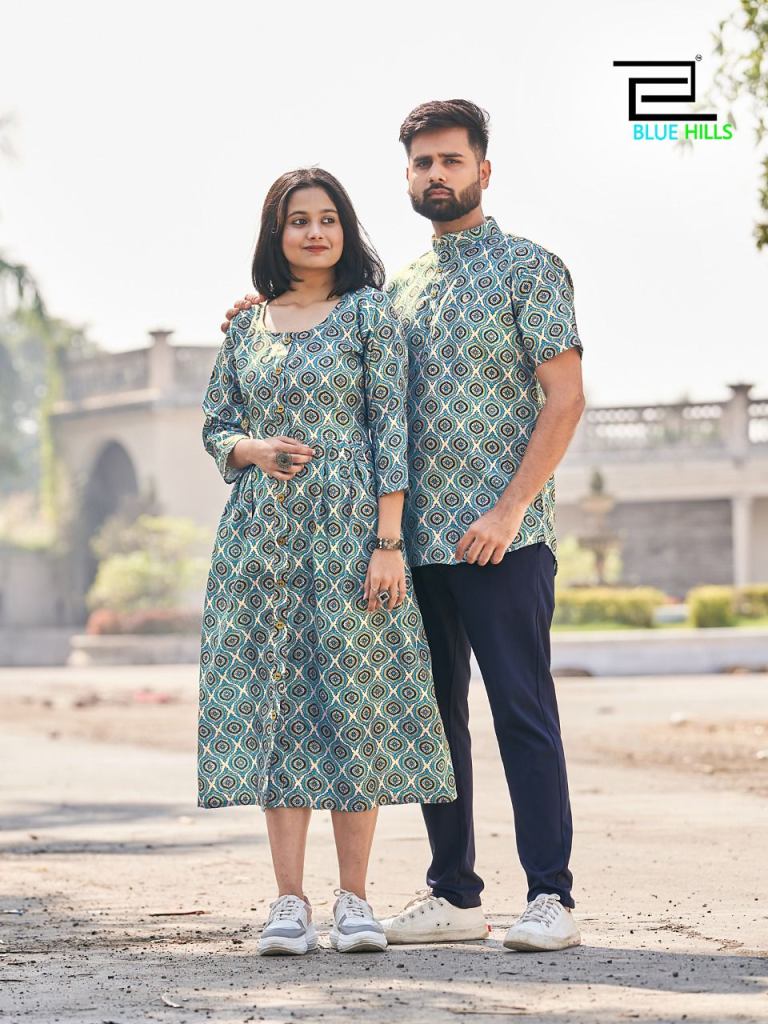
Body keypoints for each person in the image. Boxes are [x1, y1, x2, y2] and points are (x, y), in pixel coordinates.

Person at [223, 99, 586, 954]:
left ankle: (550, 898)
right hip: (403, 545)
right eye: (423, 163)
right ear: (409, 176)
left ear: (483, 171)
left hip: (502, 537)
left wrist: (508, 510)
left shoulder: (530, 269)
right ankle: (455, 893)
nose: (436, 176)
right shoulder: (394, 290)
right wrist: (258, 312)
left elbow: (564, 400)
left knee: (522, 712)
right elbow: (330, 351)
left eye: (451, 161)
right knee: (430, 719)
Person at [199, 167, 456, 957]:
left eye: (328, 220)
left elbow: (392, 433)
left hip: (350, 537)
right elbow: (217, 426)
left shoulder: (369, 317)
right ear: (276, 234)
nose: (314, 233)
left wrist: (388, 545)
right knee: (277, 712)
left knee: (355, 711)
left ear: (346, 231)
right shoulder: (247, 327)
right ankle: (287, 902)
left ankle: (354, 901)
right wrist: (253, 448)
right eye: (298, 221)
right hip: (261, 543)